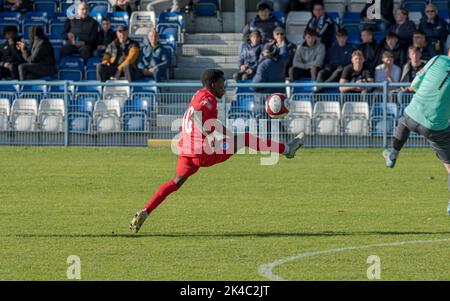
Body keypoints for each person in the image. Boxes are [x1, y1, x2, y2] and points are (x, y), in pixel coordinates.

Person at [129, 69, 305, 233]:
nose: (224, 87)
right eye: (222, 84)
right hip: (202, 152)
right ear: (213, 84)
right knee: (245, 138)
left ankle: (145, 211)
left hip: (186, 152)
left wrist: (225, 134)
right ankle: (287, 149)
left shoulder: (199, 95)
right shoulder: (208, 98)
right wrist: (209, 135)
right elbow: (196, 116)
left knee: (176, 182)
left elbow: (208, 120)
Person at [382, 52, 450, 215]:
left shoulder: (437, 59)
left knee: (403, 121)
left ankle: (393, 155)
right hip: (434, 125)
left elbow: (415, 83)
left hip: (413, 114)